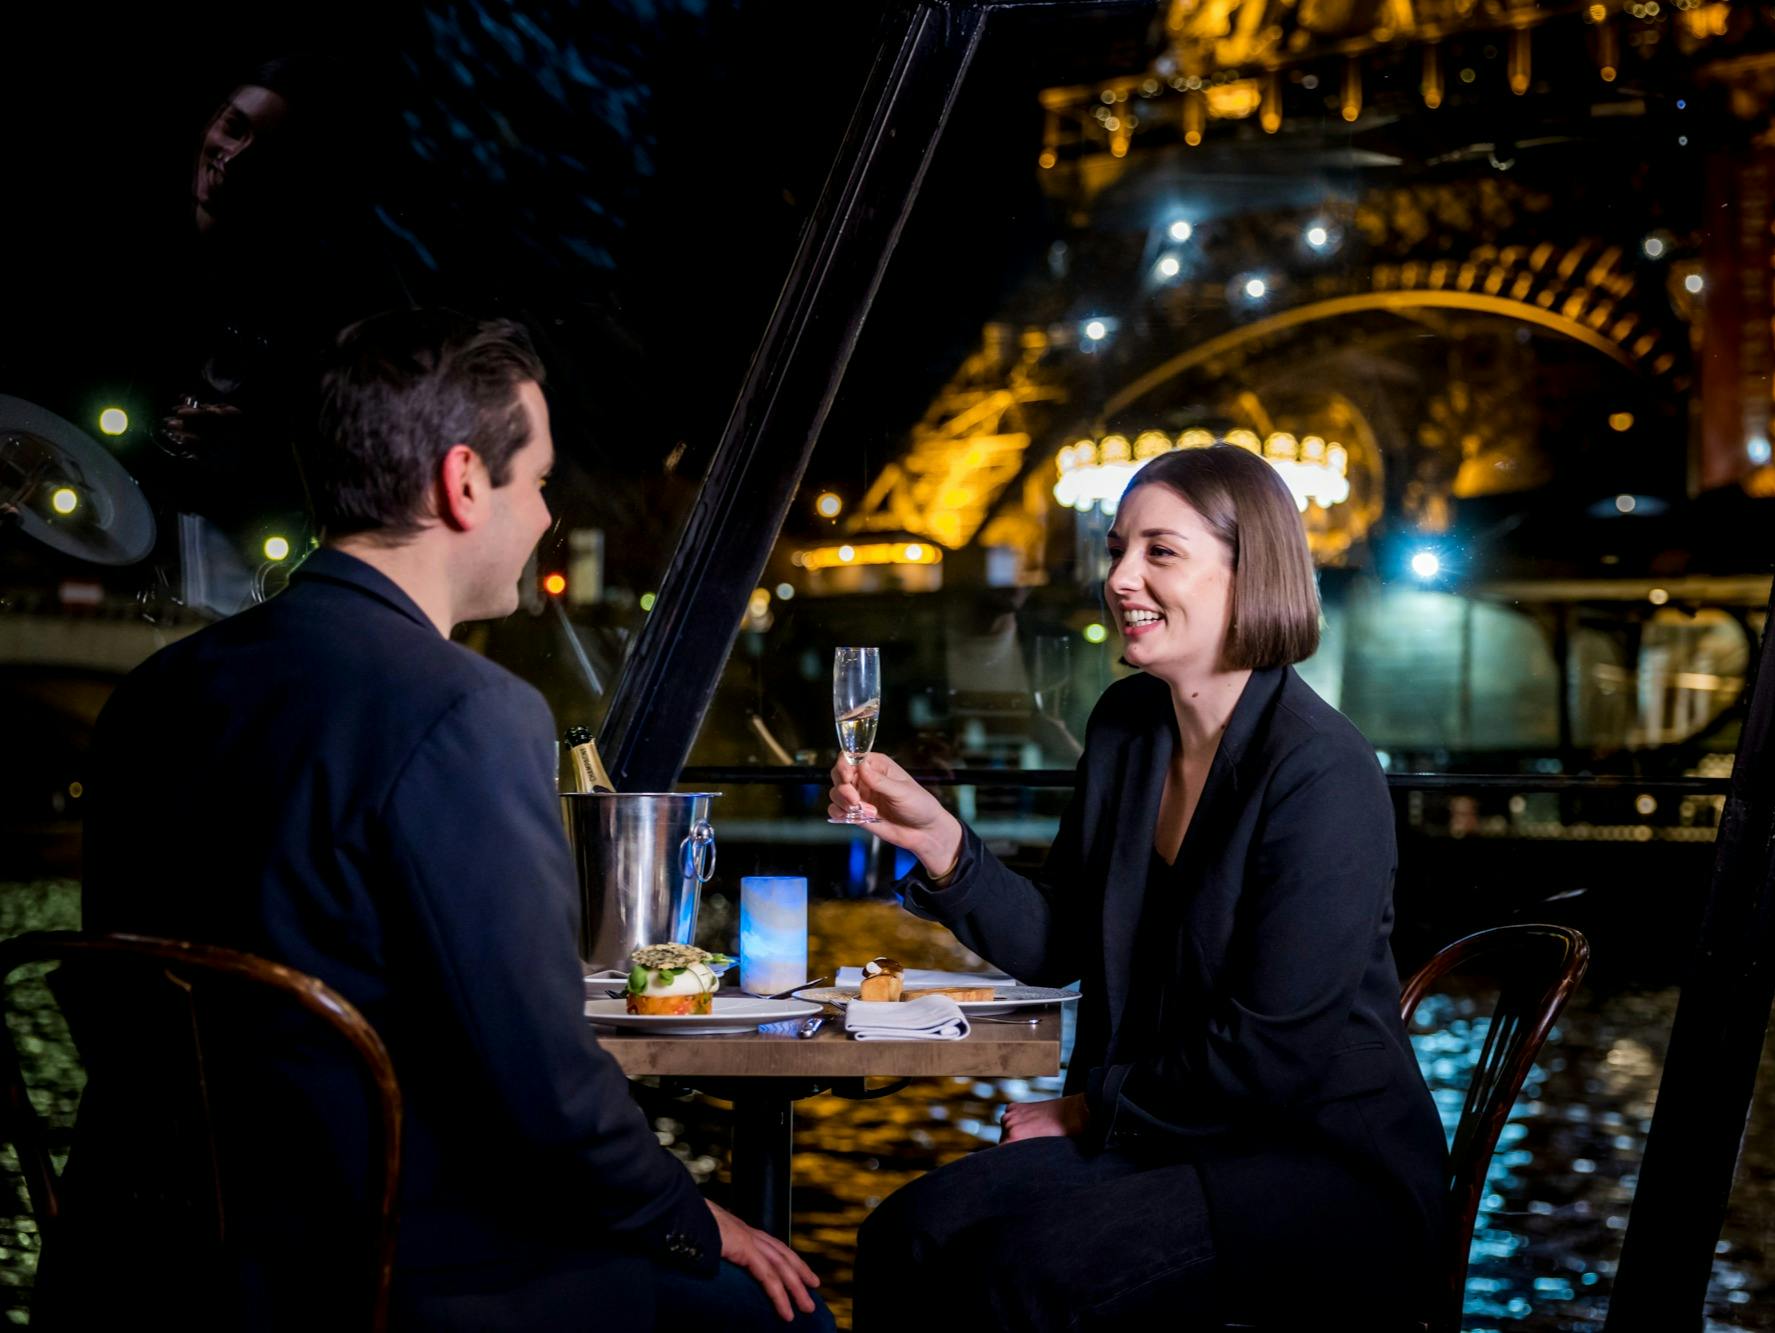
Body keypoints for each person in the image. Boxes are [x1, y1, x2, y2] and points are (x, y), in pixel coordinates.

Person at [54, 310, 833, 1332]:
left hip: (145, 1260)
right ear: (463, 482)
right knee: (783, 1315)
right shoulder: (467, 710)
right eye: (538, 481)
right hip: (375, 1273)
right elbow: (547, 1085)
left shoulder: (153, 695)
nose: (546, 517)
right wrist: (685, 1218)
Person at [834, 445, 1449, 1330]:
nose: (1120, 577)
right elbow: (1060, 940)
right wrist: (939, 840)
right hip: (1171, 1133)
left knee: (1021, 1276)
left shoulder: (1323, 770)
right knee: (905, 1236)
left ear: (1250, 573)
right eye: (1118, 548)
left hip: (1318, 1164)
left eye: (1160, 551)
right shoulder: (1127, 727)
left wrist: (1093, 1109)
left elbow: (1272, 1054)